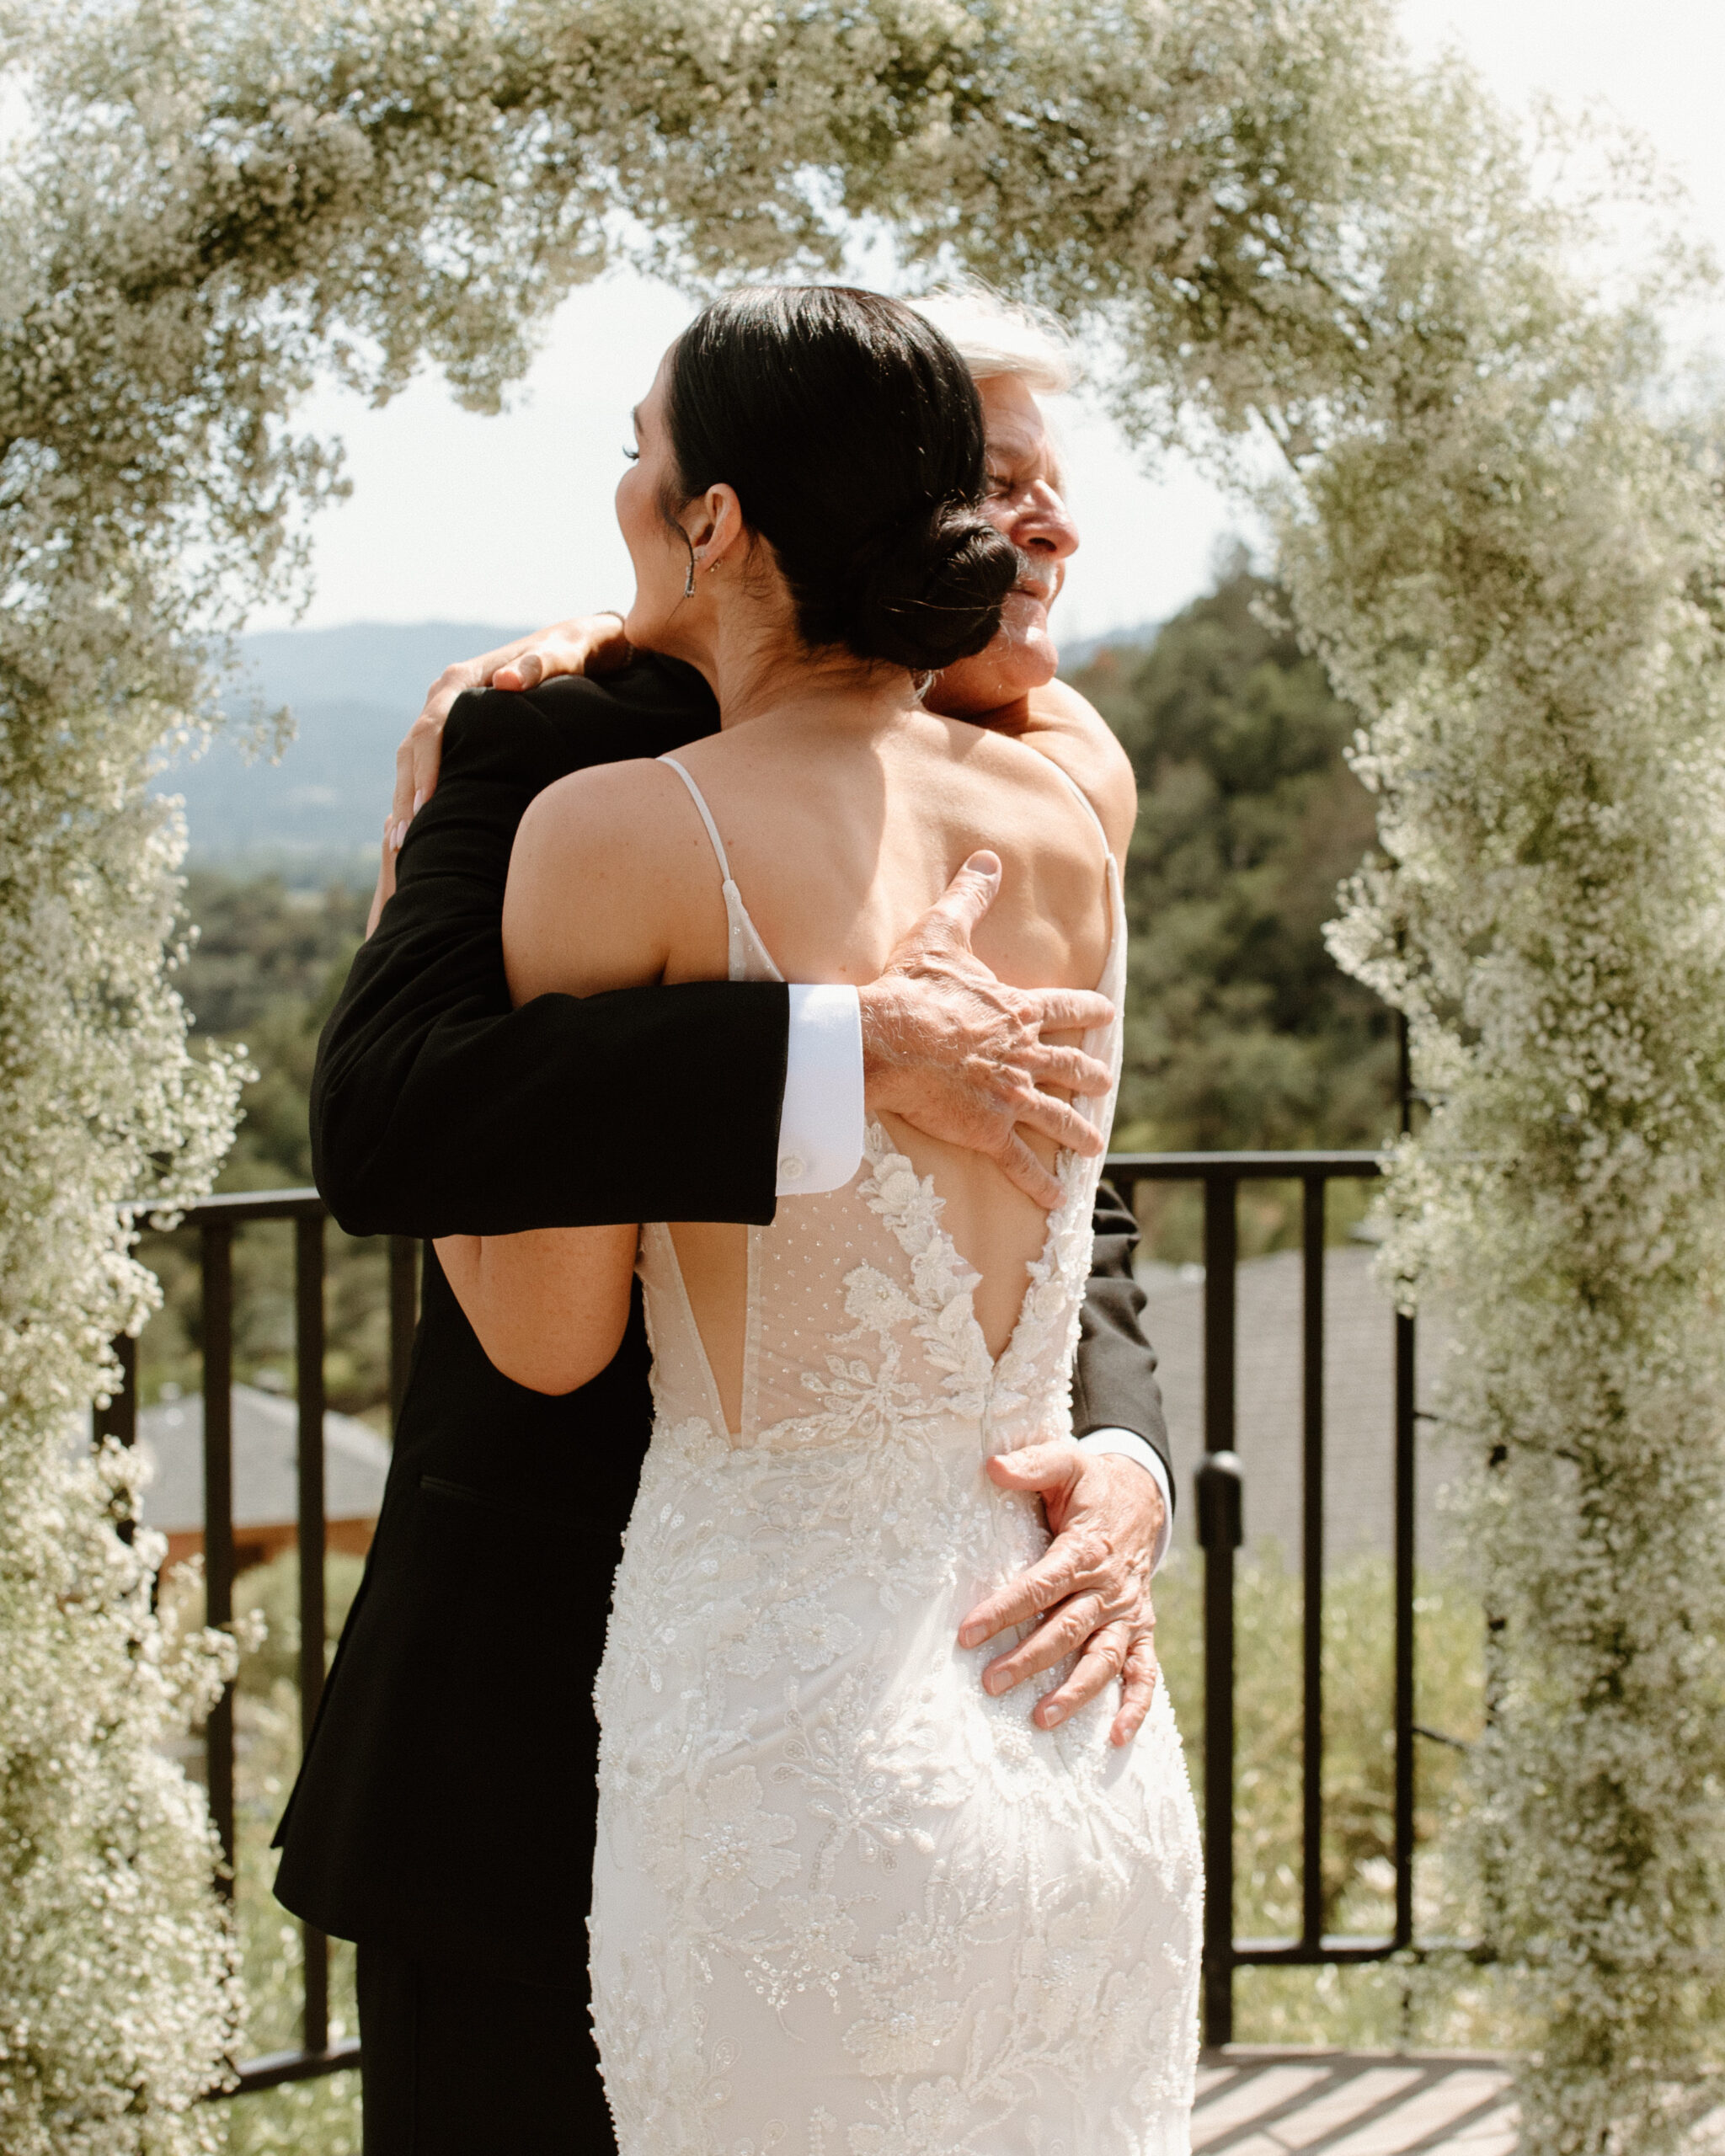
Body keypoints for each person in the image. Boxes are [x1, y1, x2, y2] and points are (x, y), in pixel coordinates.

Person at [273, 287, 1181, 2156]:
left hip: (949, 1693)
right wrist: (846, 1048)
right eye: (1001, 488)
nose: (1033, 536)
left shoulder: (1059, 782)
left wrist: (1129, 1455)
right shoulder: (537, 744)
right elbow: (394, 1116)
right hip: (532, 1725)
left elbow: (1087, 1213)